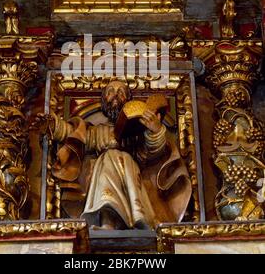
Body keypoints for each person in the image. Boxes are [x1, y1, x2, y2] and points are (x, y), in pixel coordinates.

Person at [36, 80, 191, 229]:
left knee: (116, 157)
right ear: (104, 100)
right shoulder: (97, 131)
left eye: (121, 92)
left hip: (131, 174)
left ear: (128, 101)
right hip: (102, 171)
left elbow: (152, 153)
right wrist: (53, 125)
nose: (116, 95)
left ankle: (131, 219)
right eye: (110, 92)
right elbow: (73, 133)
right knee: (109, 158)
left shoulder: (136, 134)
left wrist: (155, 130)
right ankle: (109, 222)